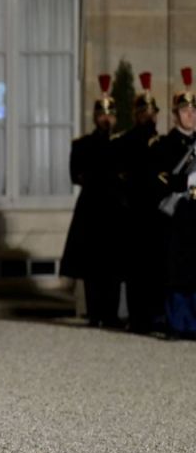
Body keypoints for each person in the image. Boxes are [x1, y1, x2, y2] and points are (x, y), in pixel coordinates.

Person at [60, 74, 128, 328]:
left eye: (110, 115)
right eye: (102, 115)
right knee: (91, 266)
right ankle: (95, 313)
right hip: (91, 210)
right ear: (95, 117)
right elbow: (76, 175)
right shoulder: (82, 145)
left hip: (115, 210)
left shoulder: (121, 144)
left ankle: (110, 315)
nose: (106, 119)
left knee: (114, 265)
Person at [149, 67, 196, 338]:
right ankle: (178, 322)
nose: (190, 115)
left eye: (193, 110)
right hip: (179, 214)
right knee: (178, 270)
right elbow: (161, 179)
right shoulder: (164, 145)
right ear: (176, 114)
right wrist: (187, 183)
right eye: (185, 110)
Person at [115, 72, 163, 332]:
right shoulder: (126, 141)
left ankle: (154, 316)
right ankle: (136, 318)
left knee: (155, 268)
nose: (149, 116)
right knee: (134, 270)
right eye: (144, 112)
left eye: (152, 112)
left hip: (157, 214)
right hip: (133, 214)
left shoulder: (161, 142)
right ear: (137, 115)